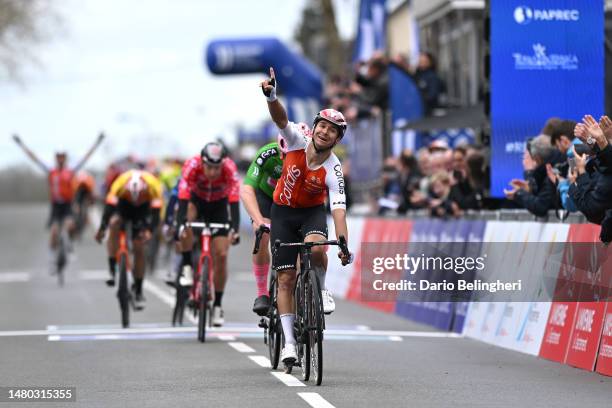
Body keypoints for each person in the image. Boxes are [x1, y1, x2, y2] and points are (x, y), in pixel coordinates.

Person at [260, 67, 353, 365]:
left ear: (337, 138)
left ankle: (322, 289)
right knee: (285, 277)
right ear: (315, 128)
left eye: (333, 130)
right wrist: (272, 95)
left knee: (317, 247)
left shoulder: (334, 168)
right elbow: (280, 119)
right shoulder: (297, 140)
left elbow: (338, 208)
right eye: (322, 126)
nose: (326, 132)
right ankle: (289, 343)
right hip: (283, 213)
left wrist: (343, 243)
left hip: (311, 212)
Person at [240, 125, 311, 316]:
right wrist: (258, 221)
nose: (285, 160)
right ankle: (262, 292)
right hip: (267, 197)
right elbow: (247, 189)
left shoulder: (313, 157)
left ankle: (298, 294)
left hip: (293, 202)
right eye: (282, 155)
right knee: (261, 235)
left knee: (298, 247)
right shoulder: (267, 153)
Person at [12, 133, 105, 266]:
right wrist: (20, 144)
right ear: (56, 158)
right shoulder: (51, 171)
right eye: (58, 157)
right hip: (56, 205)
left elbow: (86, 157)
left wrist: (98, 142)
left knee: (71, 225)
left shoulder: (71, 171)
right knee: (54, 231)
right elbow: (34, 159)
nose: (61, 159)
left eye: (63, 157)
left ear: (65, 158)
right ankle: (52, 255)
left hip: (68, 204)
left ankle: (70, 246)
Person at [176, 142, 240, 327]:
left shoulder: (229, 168)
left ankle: (218, 305)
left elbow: (234, 200)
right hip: (196, 202)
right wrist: (181, 224)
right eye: (209, 167)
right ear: (202, 162)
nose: (212, 172)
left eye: (216, 168)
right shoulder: (192, 165)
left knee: (221, 254)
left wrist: (234, 229)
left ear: (223, 163)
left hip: (218, 207)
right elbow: (183, 194)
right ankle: (187, 266)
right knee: (186, 219)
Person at [95, 169, 163, 308]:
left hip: (143, 209)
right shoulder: (119, 183)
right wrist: (102, 229)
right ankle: (112, 268)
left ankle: (138, 289)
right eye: (133, 196)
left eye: (139, 196)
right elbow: (108, 209)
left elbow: (156, 214)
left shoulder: (153, 186)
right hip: (123, 205)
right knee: (114, 224)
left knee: (139, 247)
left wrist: (149, 230)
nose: (135, 199)